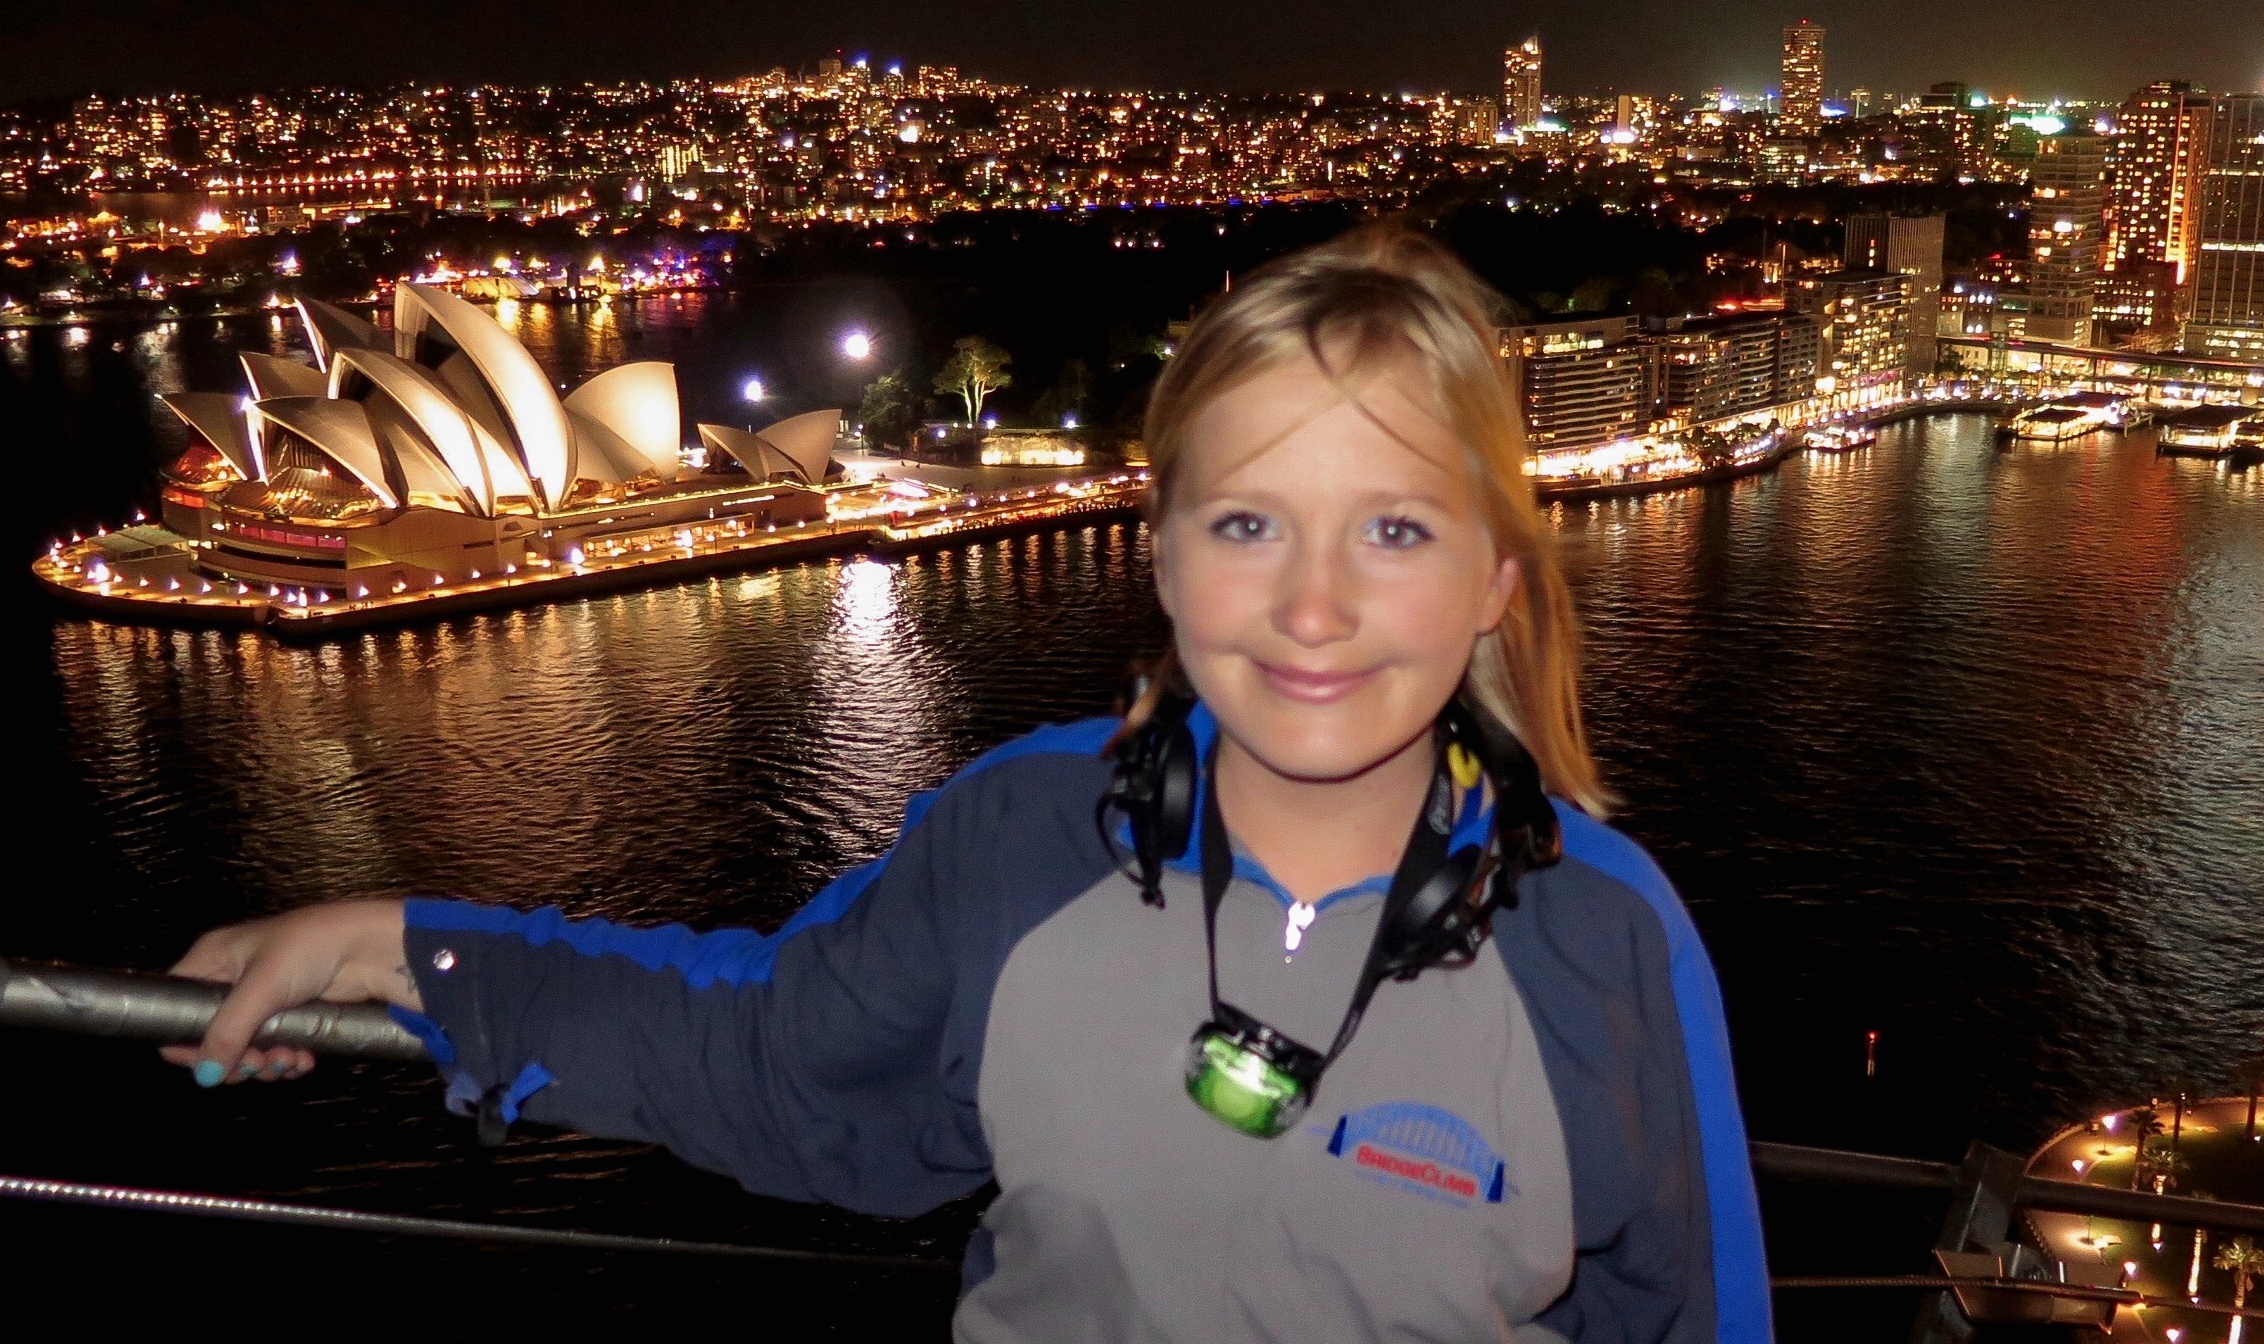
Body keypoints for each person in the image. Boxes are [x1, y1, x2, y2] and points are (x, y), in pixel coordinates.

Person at [169, 226, 1772, 1343]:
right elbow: (772, 1056)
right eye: (1246, 522)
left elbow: (1689, 1313)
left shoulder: (1600, 935)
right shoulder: (1026, 835)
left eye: (1396, 529)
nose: (1312, 605)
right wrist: (398, 943)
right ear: (1158, 558)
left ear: (1496, 577)